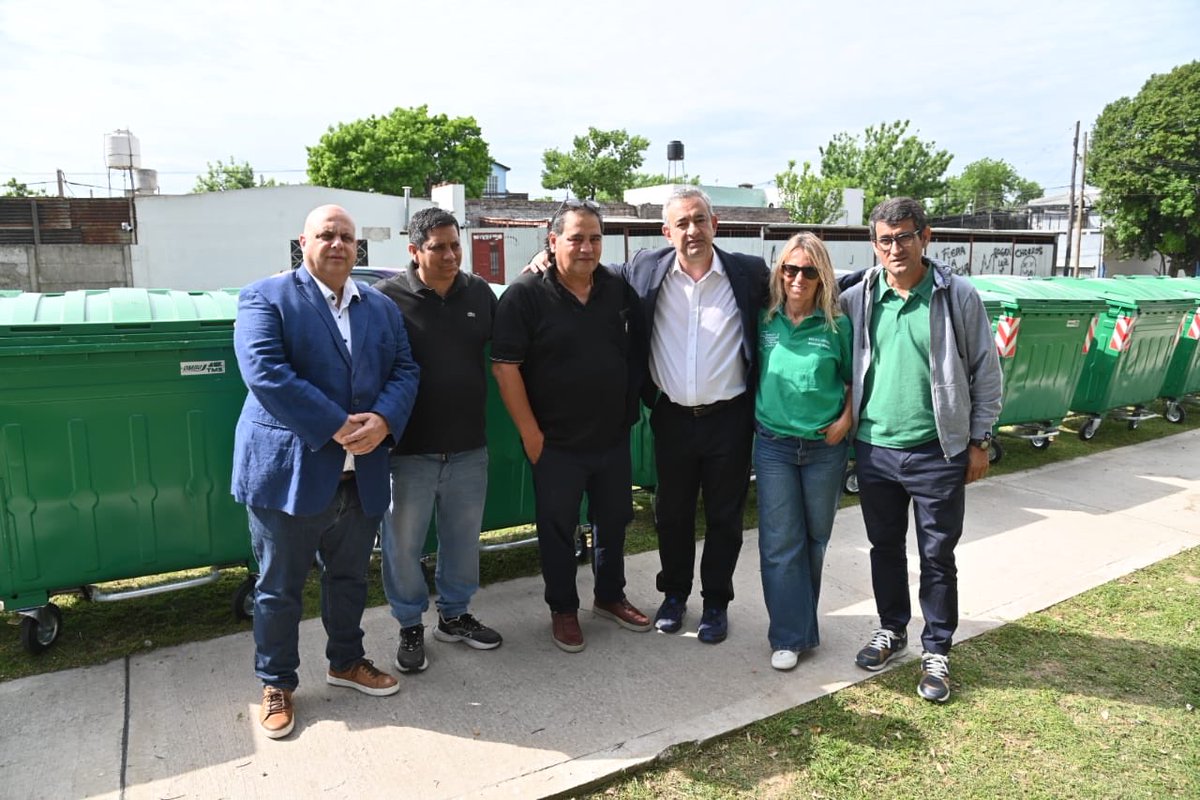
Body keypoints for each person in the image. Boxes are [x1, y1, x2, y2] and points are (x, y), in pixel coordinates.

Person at [232, 204, 420, 739]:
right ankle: (276, 682)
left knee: (348, 577)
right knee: (279, 588)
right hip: (287, 473)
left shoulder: (379, 308)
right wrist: (338, 425)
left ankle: (346, 661)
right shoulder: (266, 297)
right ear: (303, 242)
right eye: (326, 235)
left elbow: (406, 368)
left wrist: (383, 420)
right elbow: (266, 373)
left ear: (358, 247)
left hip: (360, 473)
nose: (338, 244)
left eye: (347, 237)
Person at [840, 196, 1002, 702]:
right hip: (874, 449)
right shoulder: (859, 297)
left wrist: (979, 441)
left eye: (905, 236)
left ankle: (937, 650)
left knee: (936, 555)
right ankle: (892, 628)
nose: (895, 248)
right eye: (885, 240)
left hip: (938, 451)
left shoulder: (957, 297)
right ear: (874, 245)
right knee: (884, 548)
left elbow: (987, 372)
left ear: (925, 237)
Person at [492, 199, 651, 653]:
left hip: (611, 437)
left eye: (595, 238)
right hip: (554, 443)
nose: (586, 247)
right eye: (576, 237)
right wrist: (531, 435)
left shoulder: (617, 289)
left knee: (614, 522)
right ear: (553, 241)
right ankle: (563, 608)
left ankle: (609, 596)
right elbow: (506, 368)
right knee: (558, 529)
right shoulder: (526, 294)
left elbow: (636, 351)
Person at [623, 188, 769, 644]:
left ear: (715, 223)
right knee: (672, 514)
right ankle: (674, 596)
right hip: (672, 418)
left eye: (699, 220)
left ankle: (716, 603)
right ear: (666, 232)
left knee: (725, 516)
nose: (692, 231)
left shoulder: (748, 273)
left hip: (730, 418)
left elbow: (812, 282)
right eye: (681, 224)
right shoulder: (645, 270)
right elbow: (588, 273)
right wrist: (543, 261)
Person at [373, 208, 502, 675]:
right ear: (414, 251)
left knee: (463, 540)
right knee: (402, 545)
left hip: (469, 446)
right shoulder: (385, 299)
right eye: (438, 247)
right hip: (408, 452)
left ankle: (455, 615)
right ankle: (410, 624)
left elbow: (512, 335)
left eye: (455, 245)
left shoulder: (479, 293)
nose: (450, 255)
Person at [754, 233, 852, 671]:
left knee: (814, 540)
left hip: (824, 449)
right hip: (773, 445)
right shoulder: (764, 321)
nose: (798, 278)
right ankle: (789, 636)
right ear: (779, 272)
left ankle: (801, 625)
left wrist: (846, 420)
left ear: (822, 277)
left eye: (809, 271)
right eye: (790, 269)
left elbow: (854, 379)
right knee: (779, 543)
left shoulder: (837, 326)